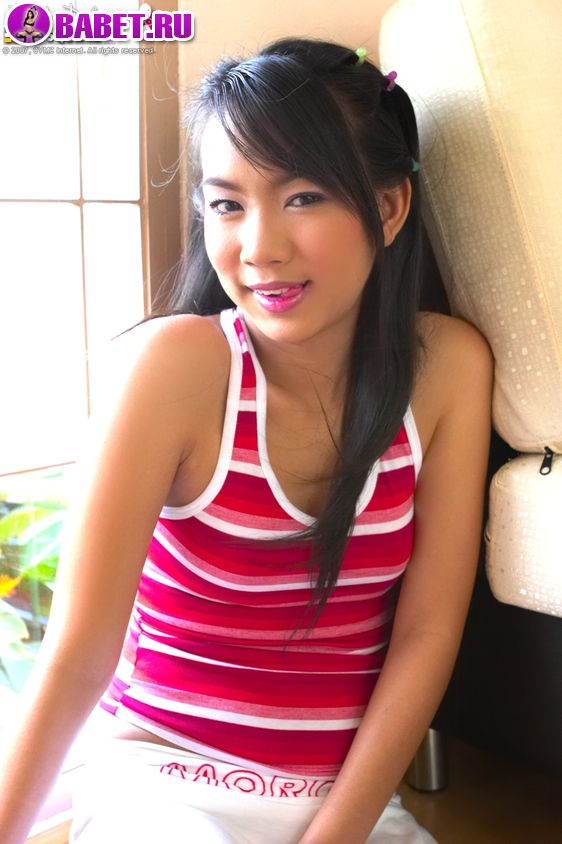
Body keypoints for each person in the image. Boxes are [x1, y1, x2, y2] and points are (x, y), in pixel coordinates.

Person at [0, 38, 493, 844]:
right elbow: (75, 657)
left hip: (347, 805)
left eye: (303, 197)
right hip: (164, 787)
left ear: (389, 207)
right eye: (227, 204)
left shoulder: (447, 370)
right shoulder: (175, 368)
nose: (260, 247)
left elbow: (426, 635)